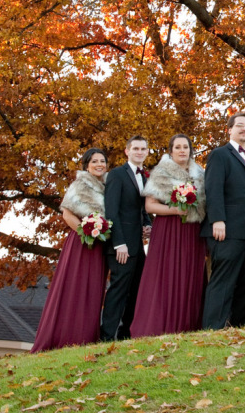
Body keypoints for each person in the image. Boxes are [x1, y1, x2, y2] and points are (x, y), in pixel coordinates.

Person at [32, 148, 109, 352]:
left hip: (100, 245)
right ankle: (65, 335)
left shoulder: (108, 186)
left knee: (93, 290)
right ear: (86, 165)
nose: (99, 164)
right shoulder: (79, 185)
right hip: (81, 243)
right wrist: (87, 233)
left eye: (102, 161)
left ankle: (85, 336)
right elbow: (67, 214)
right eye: (94, 161)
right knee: (75, 286)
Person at [130, 134, 207, 337]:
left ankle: (189, 325)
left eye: (185, 147)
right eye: (177, 147)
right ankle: (159, 325)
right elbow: (150, 206)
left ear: (190, 150)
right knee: (166, 275)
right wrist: (175, 210)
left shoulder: (200, 174)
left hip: (193, 232)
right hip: (168, 230)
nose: (182, 150)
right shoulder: (161, 172)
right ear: (171, 151)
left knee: (190, 277)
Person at [202, 112, 245, 329]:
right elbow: (213, 189)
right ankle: (212, 329)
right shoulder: (220, 155)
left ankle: (240, 328)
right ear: (229, 130)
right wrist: (217, 220)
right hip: (227, 230)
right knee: (223, 282)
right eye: (239, 125)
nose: (244, 129)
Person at [101, 136, 151, 341]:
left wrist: (148, 224)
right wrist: (118, 243)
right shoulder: (117, 174)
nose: (139, 152)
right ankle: (106, 337)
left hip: (138, 246)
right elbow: (111, 211)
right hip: (121, 246)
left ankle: (125, 335)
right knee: (118, 292)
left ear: (147, 152)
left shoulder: (145, 177)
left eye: (143, 149)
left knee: (137, 291)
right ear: (127, 151)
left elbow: (142, 209)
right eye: (135, 148)